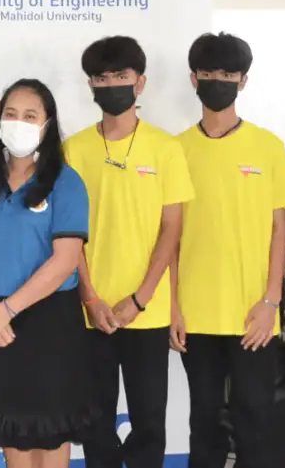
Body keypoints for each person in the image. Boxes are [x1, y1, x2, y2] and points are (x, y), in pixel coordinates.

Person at [64, 36, 194, 468]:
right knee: (96, 422)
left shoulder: (166, 148)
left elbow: (171, 229)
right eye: (101, 78)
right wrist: (90, 297)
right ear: (90, 85)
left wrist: (141, 298)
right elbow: (68, 234)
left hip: (147, 313)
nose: (111, 85)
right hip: (92, 312)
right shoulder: (75, 149)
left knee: (149, 423)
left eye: (120, 76)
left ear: (140, 83)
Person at [0, 78, 95, 468]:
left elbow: (65, 260)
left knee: (51, 435)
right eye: (11, 114)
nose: (19, 122)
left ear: (47, 125)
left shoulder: (65, 182)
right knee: (12, 434)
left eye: (30, 116)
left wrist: (8, 310)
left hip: (50, 321)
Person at [174, 32, 285, 468]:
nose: (217, 81)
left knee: (254, 419)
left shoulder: (269, 146)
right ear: (193, 79)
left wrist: (270, 302)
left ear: (243, 81)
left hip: (253, 315)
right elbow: (170, 236)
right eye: (208, 73)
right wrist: (174, 307)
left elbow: (280, 229)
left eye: (227, 74)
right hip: (195, 314)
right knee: (204, 422)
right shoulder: (176, 150)